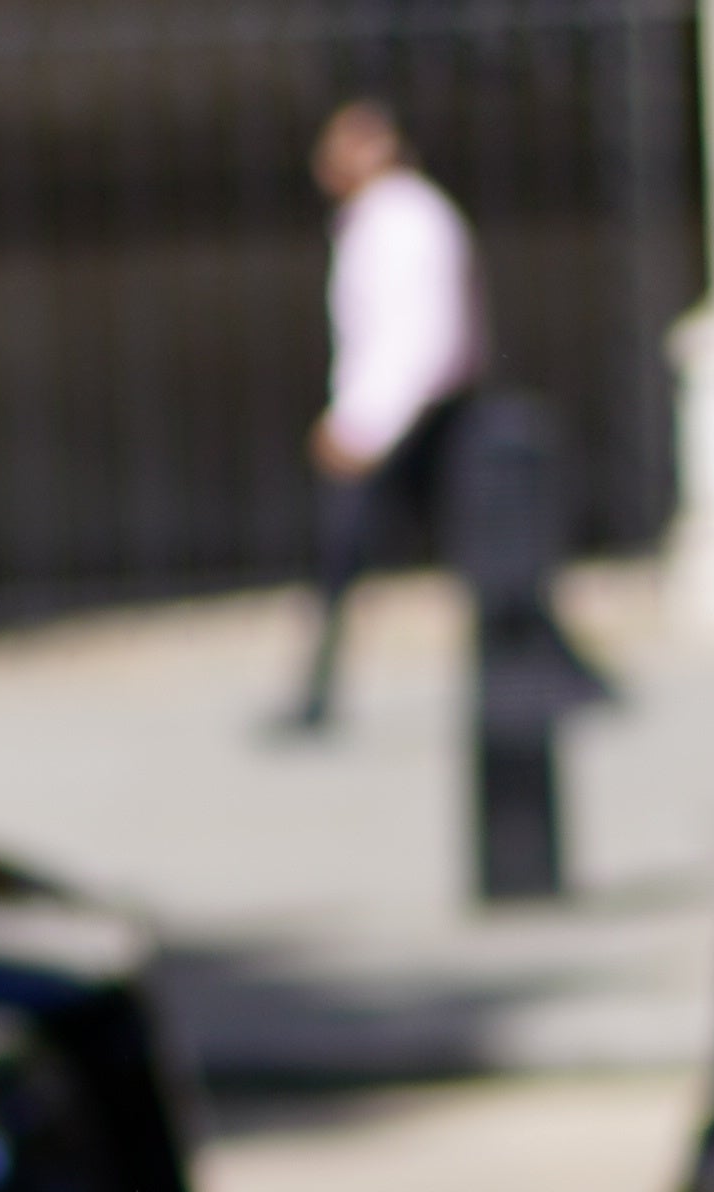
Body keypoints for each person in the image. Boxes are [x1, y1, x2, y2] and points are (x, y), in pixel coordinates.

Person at [279, 99, 482, 735]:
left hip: (407, 418)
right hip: (400, 414)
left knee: (351, 554)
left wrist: (362, 426)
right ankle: (316, 694)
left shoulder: (406, 221)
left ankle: (317, 697)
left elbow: (419, 337)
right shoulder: (378, 220)